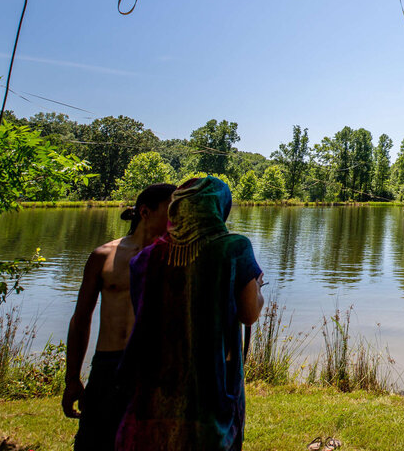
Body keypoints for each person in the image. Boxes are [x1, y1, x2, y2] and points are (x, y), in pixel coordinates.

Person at [116, 176, 265, 451]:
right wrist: (256, 287)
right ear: (219, 207)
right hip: (211, 379)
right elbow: (249, 315)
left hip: (153, 379)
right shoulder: (234, 247)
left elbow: (144, 314)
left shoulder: (146, 257)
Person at [62, 183, 175, 451]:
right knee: (95, 442)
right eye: (171, 211)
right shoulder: (103, 256)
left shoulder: (174, 259)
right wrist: (72, 378)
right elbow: (81, 319)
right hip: (107, 365)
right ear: (145, 212)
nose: (176, 219)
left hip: (151, 367)